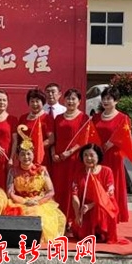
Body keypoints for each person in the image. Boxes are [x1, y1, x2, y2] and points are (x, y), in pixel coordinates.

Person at [4, 126, 66, 243]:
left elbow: (50, 191)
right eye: (22, 154)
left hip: (39, 202)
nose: (26, 157)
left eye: (28, 154)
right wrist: (24, 202)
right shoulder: (13, 171)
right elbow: (10, 192)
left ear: (33, 154)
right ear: (18, 156)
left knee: (38, 215)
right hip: (20, 202)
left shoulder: (42, 170)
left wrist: (38, 201)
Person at [92, 86, 132, 222]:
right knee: (98, 183)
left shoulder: (123, 118)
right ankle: (98, 214)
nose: (105, 101)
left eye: (109, 98)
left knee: (112, 184)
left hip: (113, 156)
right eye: (104, 98)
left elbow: (125, 137)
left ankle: (113, 214)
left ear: (116, 101)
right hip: (98, 156)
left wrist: (111, 143)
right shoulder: (96, 117)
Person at [71, 144, 124, 244]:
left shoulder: (107, 171)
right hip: (85, 209)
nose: (88, 158)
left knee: (101, 236)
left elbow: (109, 193)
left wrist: (91, 205)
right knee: (83, 236)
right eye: (85, 155)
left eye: (91, 155)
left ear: (98, 156)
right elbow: (74, 194)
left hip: (102, 206)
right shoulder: (79, 172)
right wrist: (78, 215)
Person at [51, 88, 89, 219]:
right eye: (68, 98)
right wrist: (53, 153)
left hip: (75, 159)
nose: (70, 101)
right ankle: (59, 218)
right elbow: (54, 139)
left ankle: (73, 219)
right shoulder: (58, 118)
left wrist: (69, 152)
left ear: (79, 101)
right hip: (59, 160)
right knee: (58, 187)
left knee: (72, 188)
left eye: (73, 99)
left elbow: (84, 139)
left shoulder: (84, 118)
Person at [18, 88, 54, 170]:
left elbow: (51, 139)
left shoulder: (47, 118)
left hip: (40, 156)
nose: (34, 104)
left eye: (37, 101)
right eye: (32, 101)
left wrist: (34, 148)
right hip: (25, 158)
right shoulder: (23, 118)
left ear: (43, 102)